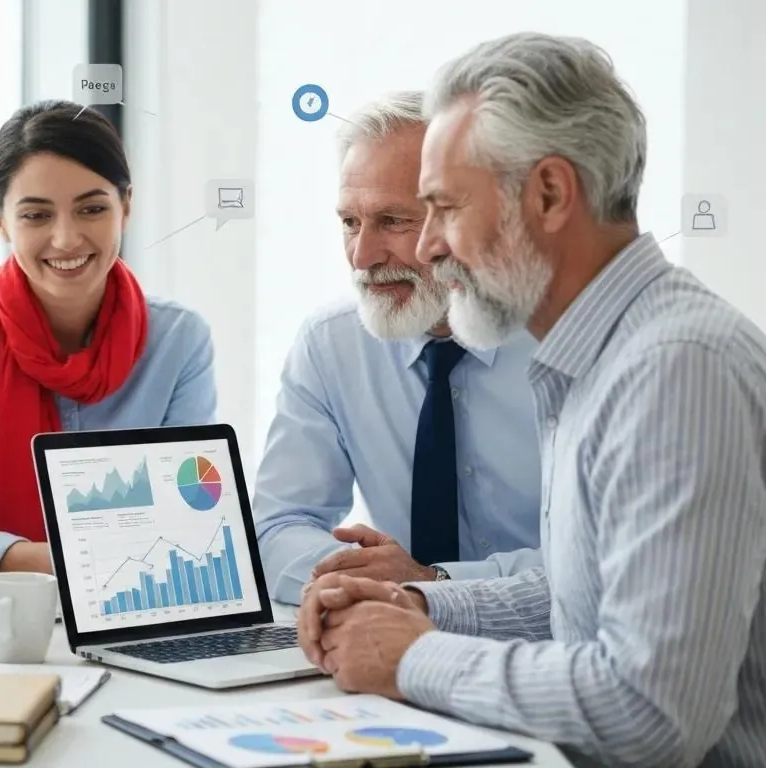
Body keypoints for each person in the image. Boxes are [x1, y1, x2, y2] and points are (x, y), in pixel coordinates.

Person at [298, 32, 766, 768]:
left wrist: (416, 657)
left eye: (445, 207)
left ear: (548, 194)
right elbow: (585, 598)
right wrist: (424, 606)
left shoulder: (676, 368)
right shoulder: (595, 354)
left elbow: (652, 711)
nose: (426, 249)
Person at [0, 99, 219, 590]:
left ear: (126, 207)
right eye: (36, 215)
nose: (67, 239)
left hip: (141, 605)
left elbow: (190, 520)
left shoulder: (179, 342)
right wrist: (85, 563)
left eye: (92, 209)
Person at [253, 90, 541, 606]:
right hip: (391, 641)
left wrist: (437, 588)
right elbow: (279, 524)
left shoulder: (570, 343)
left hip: (554, 649)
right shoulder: (331, 343)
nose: (362, 257)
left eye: (393, 221)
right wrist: (370, 585)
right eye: (349, 222)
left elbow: (607, 561)